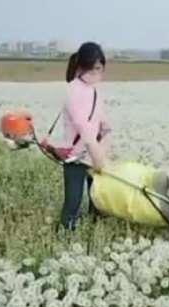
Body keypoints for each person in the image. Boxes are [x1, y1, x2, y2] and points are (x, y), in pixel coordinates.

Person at [57, 42, 111, 230]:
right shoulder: (73, 89)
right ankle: (65, 233)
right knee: (73, 200)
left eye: (98, 68)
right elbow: (82, 125)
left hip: (92, 153)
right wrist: (97, 154)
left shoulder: (93, 89)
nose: (95, 73)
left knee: (97, 198)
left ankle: (94, 233)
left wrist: (105, 130)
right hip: (76, 156)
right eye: (91, 69)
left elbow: (98, 117)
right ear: (80, 67)